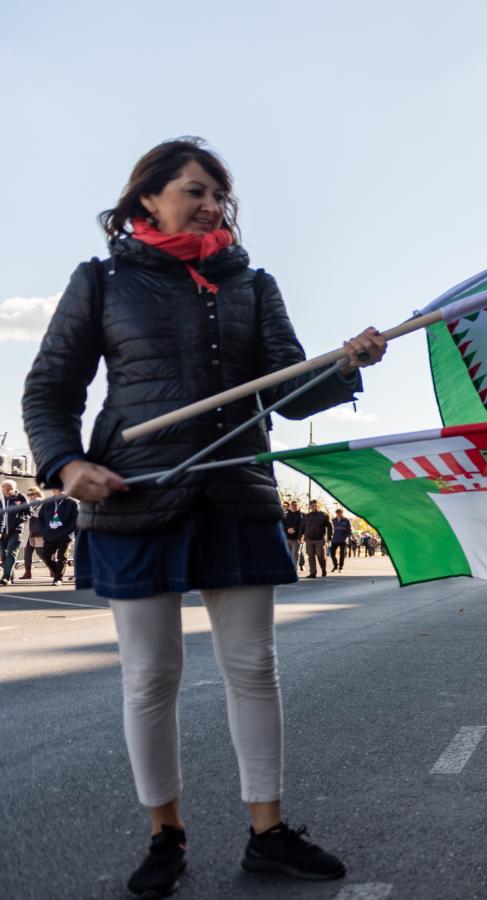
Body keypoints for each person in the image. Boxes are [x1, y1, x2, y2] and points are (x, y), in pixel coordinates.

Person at [22, 137, 388, 896]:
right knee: (150, 676)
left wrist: (345, 364)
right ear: (146, 199)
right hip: (135, 494)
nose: (213, 206)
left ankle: (269, 832)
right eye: (195, 190)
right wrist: (66, 464)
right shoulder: (102, 281)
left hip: (233, 490)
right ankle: (165, 836)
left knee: (254, 666)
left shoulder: (251, 284)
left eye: (220, 195)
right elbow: (49, 388)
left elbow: (285, 392)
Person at [33, 488, 78, 586]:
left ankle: (58, 579)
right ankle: (57, 572)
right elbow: (41, 519)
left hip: (65, 536)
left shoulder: (72, 503)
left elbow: (75, 520)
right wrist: (44, 531)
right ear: (53, 491)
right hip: (49, 534)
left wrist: (66, 531)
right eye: (58, 489)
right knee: (46, 556)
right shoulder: (47, 502)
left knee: (62, 557)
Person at [1, 480, 26, 584]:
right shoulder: (1, 499)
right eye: (6, 489)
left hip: (16, 530)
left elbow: (28, 511)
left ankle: (6, 576)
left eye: (11, 488)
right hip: (2, 531)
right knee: (4, 555)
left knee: (11, 552)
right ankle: (10, 576)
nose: (9, 491)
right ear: (2, 488)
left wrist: (19, 519)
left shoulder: (21, 497)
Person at [19, 487, 45, 580]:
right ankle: (27, 572)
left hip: (38, 531)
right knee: (27, 553)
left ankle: (53, 569)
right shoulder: (30, 503)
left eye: (31, 494)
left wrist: (30, 512)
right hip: (29, 531)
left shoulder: (42, 503)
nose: (29, 497)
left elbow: (41, 515)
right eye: (28, 495)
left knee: (40, 552)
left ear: (38, 494)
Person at [301, 500, 330, 578]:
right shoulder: (307, 516)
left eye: (315, 505)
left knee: (320, 555)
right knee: (311, 556)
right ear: (310, 506)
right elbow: (302, 527)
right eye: (312, 505)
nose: (314, 507)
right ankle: (313, 573)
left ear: (318, 506)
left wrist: (329, 537)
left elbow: (330, 527)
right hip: (309, 539)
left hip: (319, 539)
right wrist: (300, 536)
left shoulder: (324, 515)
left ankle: (323, 569)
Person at [282, 499, 304, 571]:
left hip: (297, 538)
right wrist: (287, 529)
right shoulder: (285, 514)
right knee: (288, 554)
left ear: (298, 506)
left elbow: (302, 526)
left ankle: (294, 569)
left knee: (295, 553)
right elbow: (282, 525)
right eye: (292, 505)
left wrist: (294, 529)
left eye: (295, 505)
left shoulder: (302, 515)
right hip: (287, 538)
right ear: (290, 507)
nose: (294, 507)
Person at [328, 508, 351, 572]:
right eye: (338, 513)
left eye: (340, 513)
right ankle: (335, 566)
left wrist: (345, 536)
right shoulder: (333, 520)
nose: (339, 514)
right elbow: (330, 530)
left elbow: (349, 530)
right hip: (334, 540)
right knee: (332, 553)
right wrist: (329, 537)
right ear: (336, 513)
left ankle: (341, 567)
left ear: (342, 513)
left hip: (343, 540)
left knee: (342, 554)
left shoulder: (346, 520)